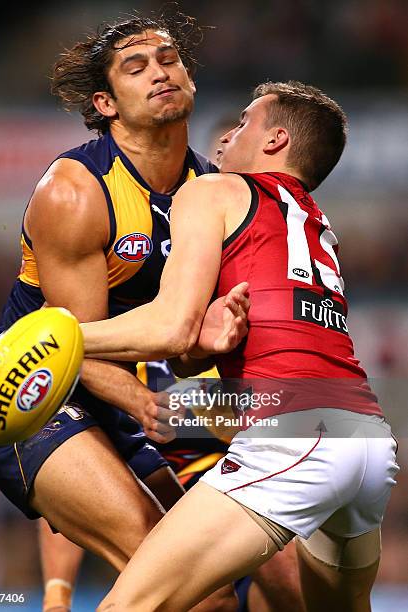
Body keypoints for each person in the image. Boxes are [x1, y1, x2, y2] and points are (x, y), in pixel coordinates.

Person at [79, 81, 399, 612]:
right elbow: (191, 344)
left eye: (243, 123)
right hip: (365, 441)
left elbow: (169, 325)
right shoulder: (316, 224)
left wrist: (60, 335)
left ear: (275, 140)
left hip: (298, 436)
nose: (225, 136)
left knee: (126, 607)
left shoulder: (212, 191)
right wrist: (201, 348)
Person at [0, 13, 248, 611]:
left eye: (170, 60)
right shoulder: (76, 191)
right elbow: (76, 343)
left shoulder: (209, 188)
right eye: (136, 67)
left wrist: (216, 335)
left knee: (219, 595)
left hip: (135, 394)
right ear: (106, 102)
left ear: (192, 80)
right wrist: (152, 401)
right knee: (165, 571)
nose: (160, 73)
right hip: (40, 394)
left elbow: (180, 344)